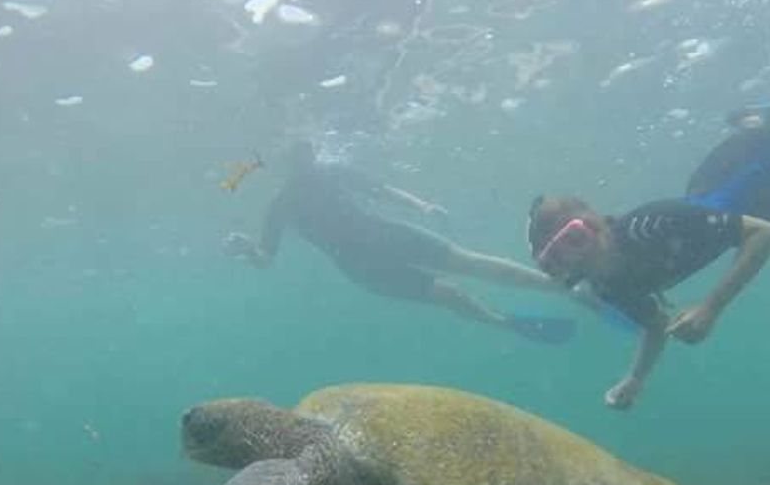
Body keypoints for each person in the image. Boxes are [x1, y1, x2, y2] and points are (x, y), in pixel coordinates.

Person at [527, 48, 770, 410]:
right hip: (748, 200)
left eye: (576, 236)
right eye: (558, 257)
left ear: (597, 222)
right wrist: (635, 378)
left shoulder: (649, 225)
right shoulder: (608, 287)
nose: (579, 254)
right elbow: (654, 324)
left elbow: (766, 234)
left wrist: (711, 306)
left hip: (753, 160)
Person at [226, 142, 576, 343]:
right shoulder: (281, 205)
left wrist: (421, 206)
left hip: (388, 236)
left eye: (308, 154)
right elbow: (266, 258)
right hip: (364, 267)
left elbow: (383, 191)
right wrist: (247, 250)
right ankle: (503, 322)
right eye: (301, 157)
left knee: (470, 262)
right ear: (291, 164)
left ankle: (558, 285)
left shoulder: (332, 172)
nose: (307, 160)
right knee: (450, 292)